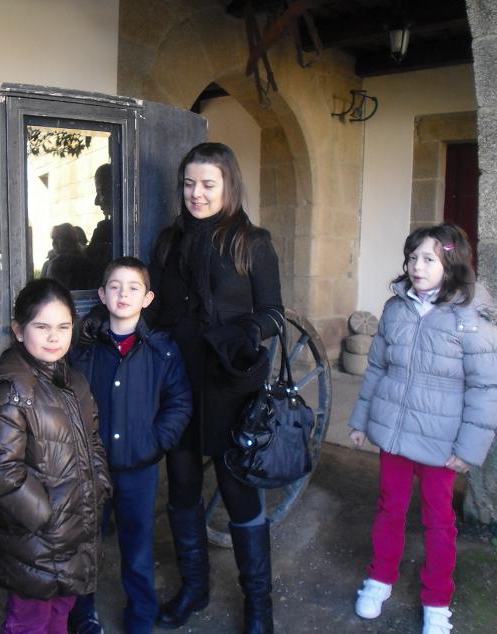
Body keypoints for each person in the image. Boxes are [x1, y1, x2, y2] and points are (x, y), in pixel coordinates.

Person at [145, 142, 284, 633]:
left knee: (238, 492)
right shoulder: (169, 242)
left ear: (229, 185)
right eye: (189, 184)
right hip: (179, 382)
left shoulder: (252, 243)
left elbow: (273, 313)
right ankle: (195, 588)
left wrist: (245, 330)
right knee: (182, 487)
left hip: (231, 384)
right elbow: (154, 308)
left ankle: (258, 607)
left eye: (208, 184)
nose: (196, 194)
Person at [348, 223, 497, 634]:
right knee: (390, 509)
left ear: (451, 264)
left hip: (441, 444)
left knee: (439, 522)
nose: (417, 266)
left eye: (429, 259)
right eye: (413, 257)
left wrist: (469, 449)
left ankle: (437, 600)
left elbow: (486, 388)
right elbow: (377, 368)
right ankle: (380, 578)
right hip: (395, 436)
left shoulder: (472, 317)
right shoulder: (396, 308)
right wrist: (361, 419)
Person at [0, 278, 112, 634]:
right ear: (19, 330)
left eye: (63, 327)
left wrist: (99, 486)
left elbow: (92, 440)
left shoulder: (74, 381)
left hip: (76, 528)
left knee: (61, 611)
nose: (54, 337)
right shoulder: (10, 390)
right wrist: (47, 518)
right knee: (29, 621)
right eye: (42, 327)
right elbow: (0, 471)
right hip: (36, 538)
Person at [68, 257, 193, 634]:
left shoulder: (162, 350)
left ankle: (140, 614)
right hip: (92, 467)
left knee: (138, 546)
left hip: (139, 468)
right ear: (102, 295)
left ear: (147, 298)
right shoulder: (85, 348)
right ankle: (82, 612)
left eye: (133, 288)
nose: (124, 294)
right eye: (115, 287)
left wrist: (156, 442)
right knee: (85, 543)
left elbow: (179, 401)